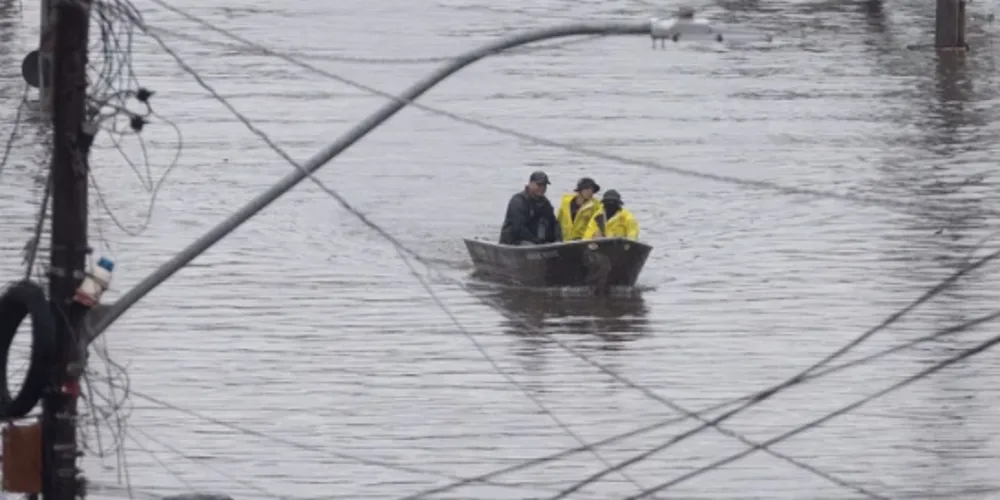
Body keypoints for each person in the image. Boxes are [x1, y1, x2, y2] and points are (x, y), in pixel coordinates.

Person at [499, 171, 561, 245]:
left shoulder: (545, 203)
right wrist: (536, 243)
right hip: (514, 242)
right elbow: (518, 227)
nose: (542, 188)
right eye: (539, 185)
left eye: (544, 185)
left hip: (538, 243)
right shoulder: (518, 201)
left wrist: (558, 241)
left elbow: (554, 223)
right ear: (530, 184)